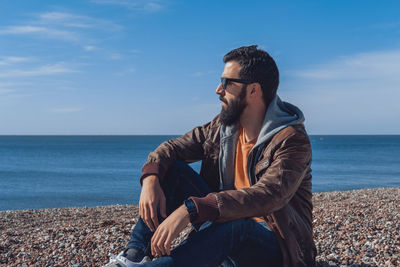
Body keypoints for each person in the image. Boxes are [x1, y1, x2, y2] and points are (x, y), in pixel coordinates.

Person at [105, 45, 316, 267]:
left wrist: (191, 209)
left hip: (278, 247)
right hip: (226, 224)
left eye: (227, 83)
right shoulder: (223, 126)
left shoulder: (291, 139)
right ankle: (133, 257)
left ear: (254, 90)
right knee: (173, 171)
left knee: (237, 227)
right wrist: (151, 179)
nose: (218, 89)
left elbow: (269, 195)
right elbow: (173, 148)